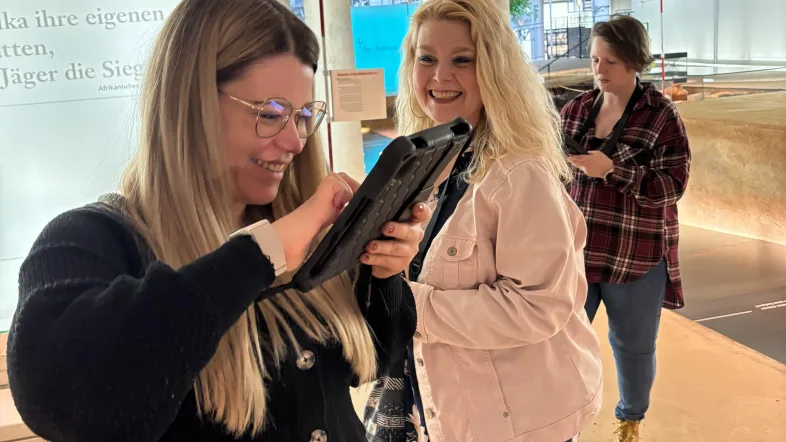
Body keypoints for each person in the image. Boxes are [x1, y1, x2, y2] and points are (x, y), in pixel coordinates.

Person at [7, 1, 430, 441]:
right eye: (269, 113)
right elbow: (70, 403)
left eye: (304, 116)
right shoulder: (90, 241)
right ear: (190, 106)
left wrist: (383, 275)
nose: (294, 141)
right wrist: (261, 254)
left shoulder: (295, 221)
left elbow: (373, 357)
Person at [363, 1, 603, 441]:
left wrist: (410, 306)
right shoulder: (427, 160)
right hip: (442, 405)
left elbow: (537, 307)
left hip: (520, 420)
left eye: (462, 60)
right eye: (427, 58)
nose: (440, 77)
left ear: (494, 67)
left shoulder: (520, 171)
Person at [561, 15, 691, 442]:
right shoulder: (576, 110)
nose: (599, 70)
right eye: (596, 60)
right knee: (560, 341)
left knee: (633, 348)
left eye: (611, 62)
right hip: (577, 251)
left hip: (635, 253)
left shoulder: (662, 115)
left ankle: (629, 422)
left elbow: (672, 187)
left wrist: (613, 170)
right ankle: (560, 419)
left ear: (635, 61)